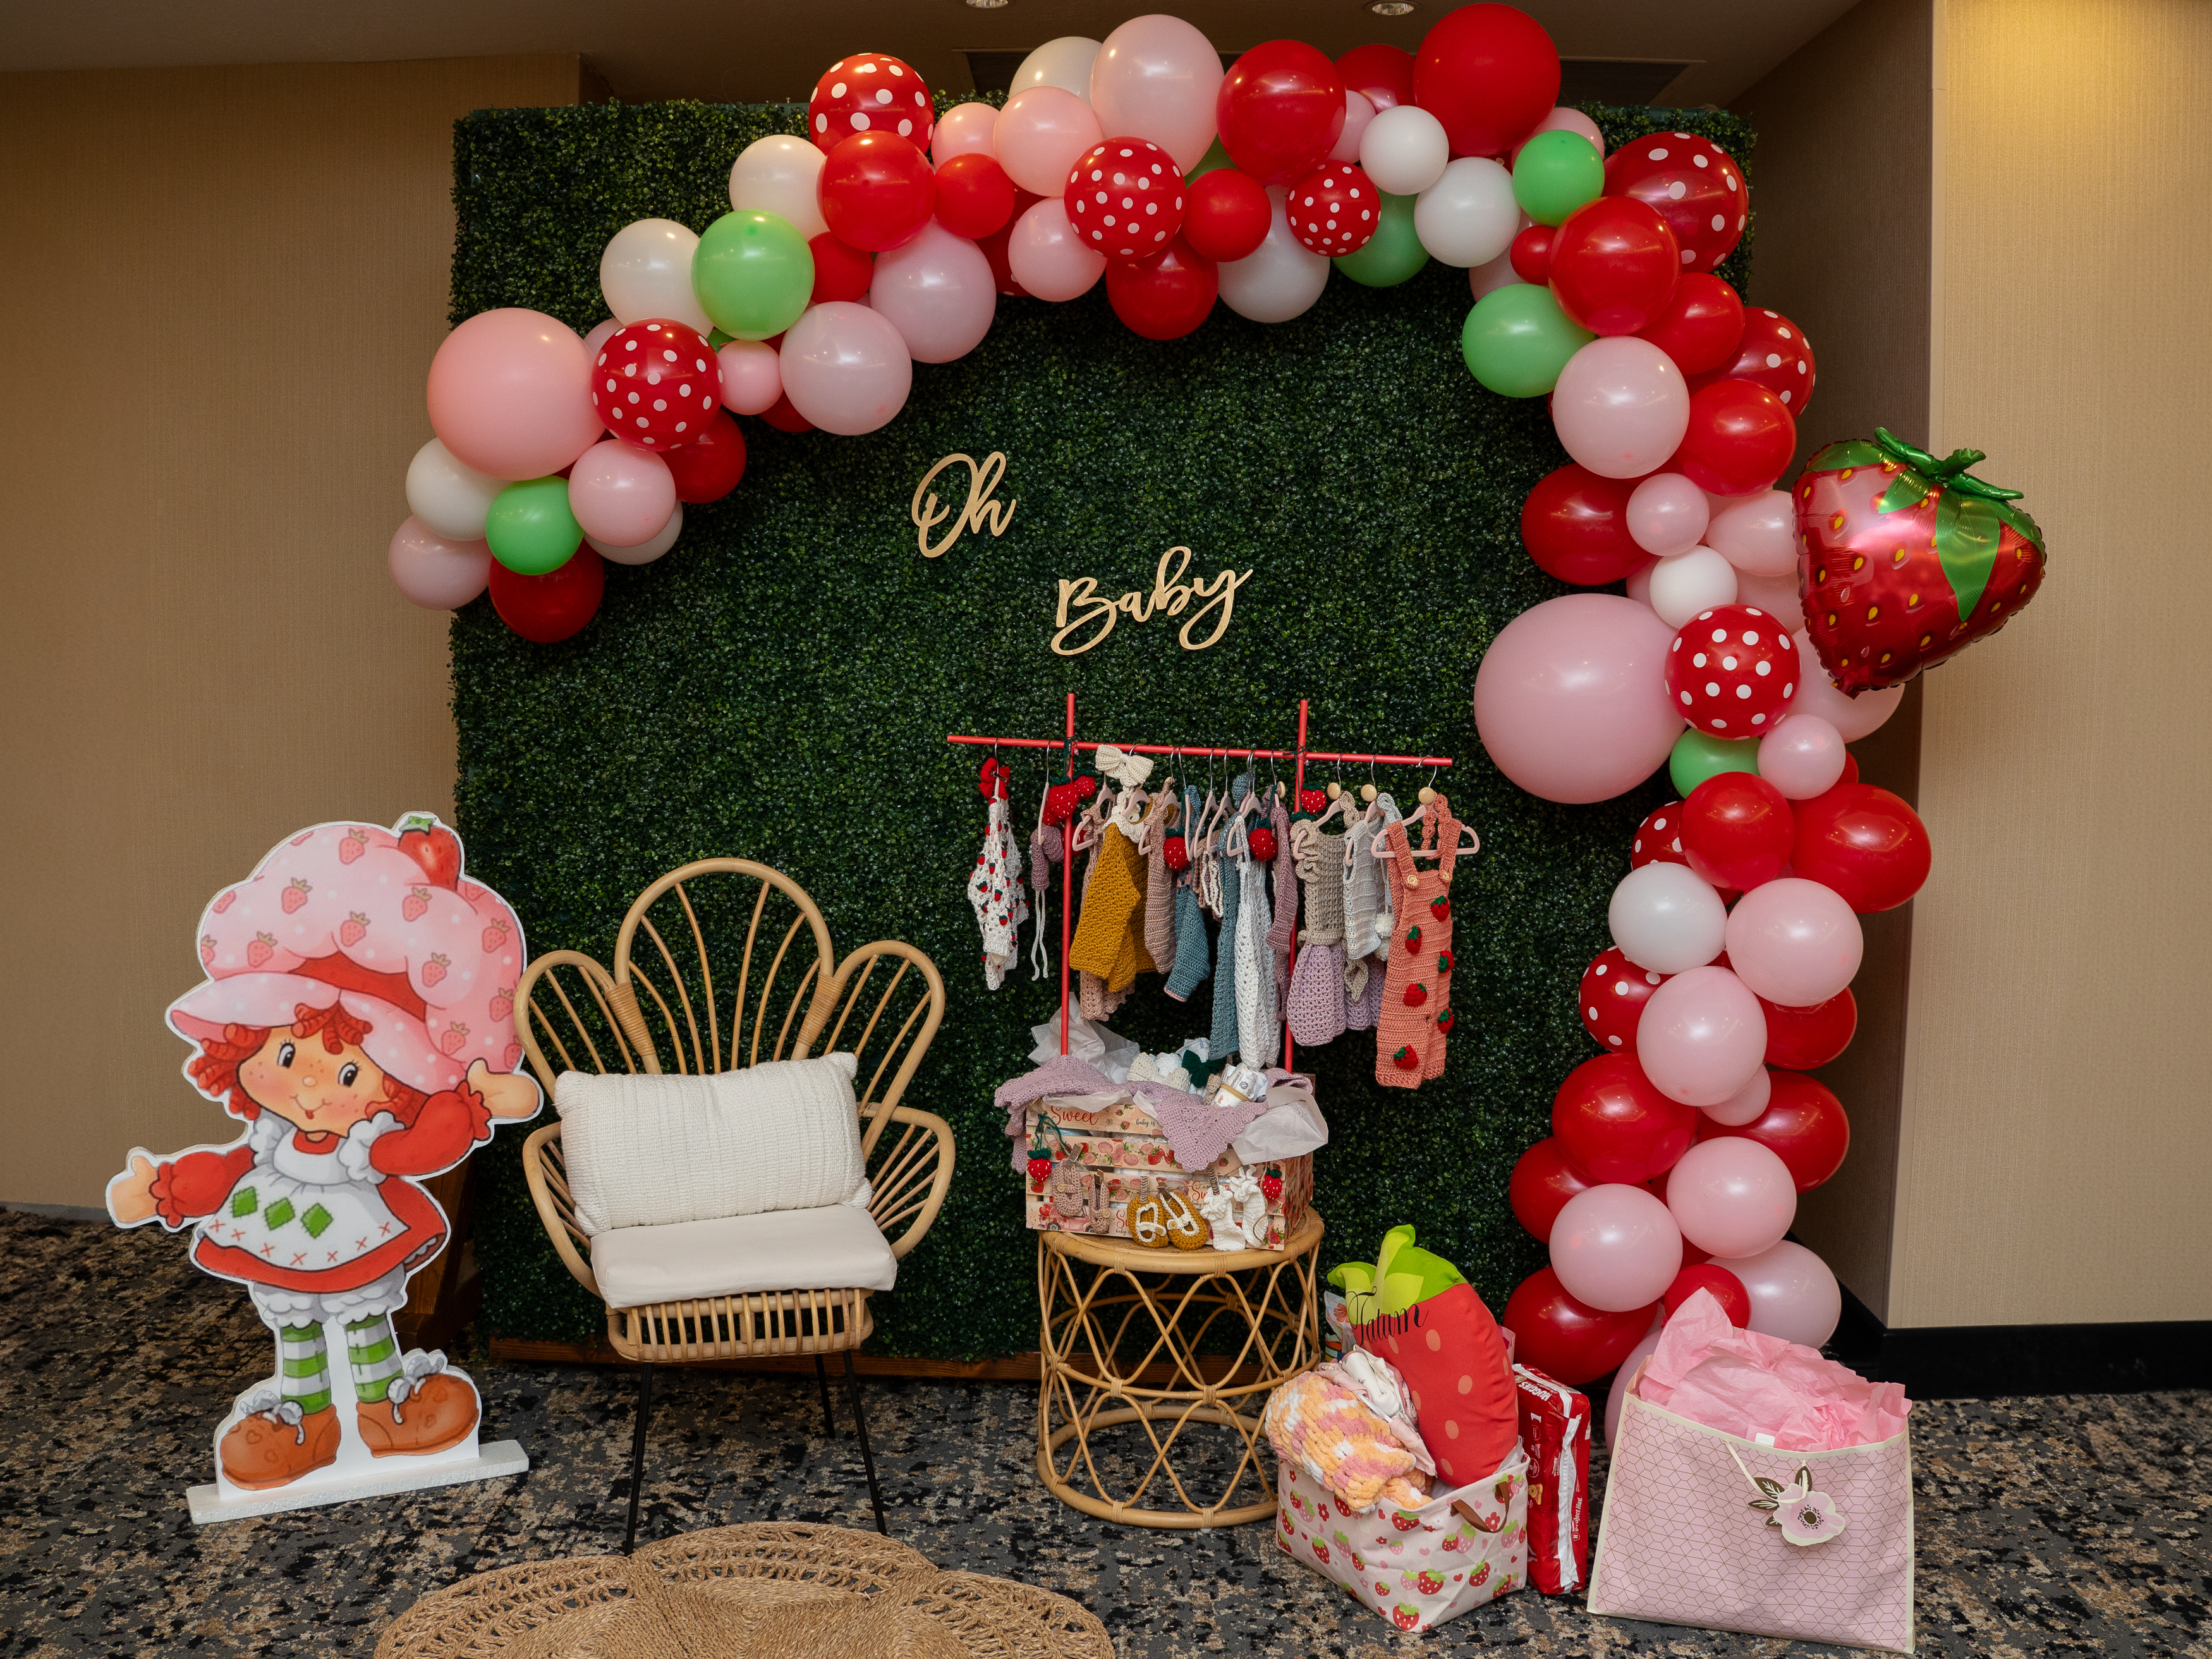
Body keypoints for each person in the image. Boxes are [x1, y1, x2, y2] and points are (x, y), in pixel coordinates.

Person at [107, 815, 540, 1490]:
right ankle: (304, 1422)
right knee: (296, 1332)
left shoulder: (370, 1142)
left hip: (354, 1231)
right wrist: (165, 1188)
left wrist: (472, 1102)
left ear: (397, 1082)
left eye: (346, 1073)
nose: (308, 1083)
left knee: (365, 1317)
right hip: (275, 1231)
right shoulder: (270, 1140)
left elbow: (417, 1146)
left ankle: (383, 1408)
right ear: (243, 1047)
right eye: (286, 1053)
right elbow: (224, 1172)